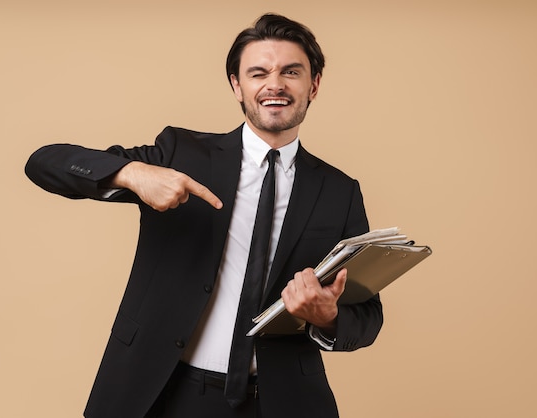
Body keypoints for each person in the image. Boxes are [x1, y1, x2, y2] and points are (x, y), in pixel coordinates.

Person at [25, 13, 383, 418]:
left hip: (282, 401)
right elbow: (44, 163)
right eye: (258, 72)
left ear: (313, 85)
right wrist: (132, 173)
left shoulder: (339, 192)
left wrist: (328, 316)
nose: (275, 85)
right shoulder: (181, 154)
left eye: (291, 72)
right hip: (163, 391)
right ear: (237, 85)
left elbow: (368, 314)